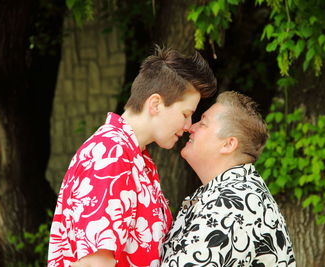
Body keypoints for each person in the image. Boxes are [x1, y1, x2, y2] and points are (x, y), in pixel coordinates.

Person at [47, 46, 217, 267]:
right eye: (185, 114)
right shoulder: (110, 154)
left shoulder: (132, 156)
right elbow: (94, 263)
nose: (188, 126)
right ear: (155, 104)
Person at [161, 91, 296, 266]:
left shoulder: (230, 204)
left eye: (203, 123)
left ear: (228, 144)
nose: (190, 127)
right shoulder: (237, 191)